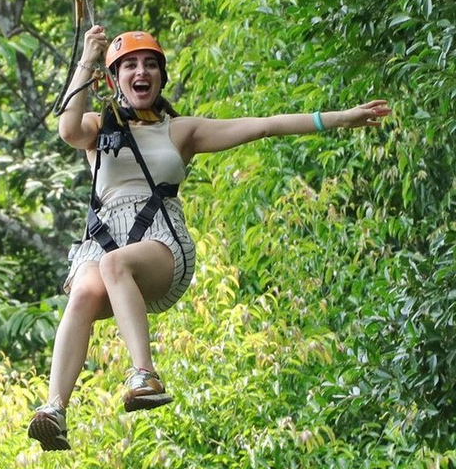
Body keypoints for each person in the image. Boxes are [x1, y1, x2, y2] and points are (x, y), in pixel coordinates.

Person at [27, 25, 391, 451]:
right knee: (85, 291)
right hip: (104, 237)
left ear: (160, 77)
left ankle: (143, 374)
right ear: (115, 79)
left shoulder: (181, 131)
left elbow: (264, 126)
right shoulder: (98, 125)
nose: (141, 72)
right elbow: (68, 130)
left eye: (149, 65)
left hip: (159, 241)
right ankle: (55, 408)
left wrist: (339, 118)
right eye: (129, 65)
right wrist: (87, 59)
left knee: (114, 265)